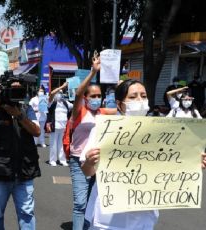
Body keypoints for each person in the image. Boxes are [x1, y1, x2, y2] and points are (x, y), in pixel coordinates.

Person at [81, 79, 206, 229]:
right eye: (133, 97)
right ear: (120, 104)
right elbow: (87, 171)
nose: (140, 100)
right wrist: (89, 161)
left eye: (143, 96)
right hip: (110, 216)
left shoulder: (161, 132)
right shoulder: (104, 130)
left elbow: (169, 165)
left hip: (143, 212)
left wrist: (191, 162)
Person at [0, 80, 41, 230]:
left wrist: (19, 115)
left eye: (19, 90)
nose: (15, 93)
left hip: (24, 172)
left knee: (27, 214)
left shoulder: (26, 107)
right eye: (12, 89)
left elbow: (37, 131)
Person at [68, 54, 116, 230]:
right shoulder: (79, 112)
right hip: (78, 160)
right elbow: (79, 92)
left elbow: (122, 108)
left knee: (93, 201)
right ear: (86, 98)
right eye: (93, 95)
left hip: (99, 161)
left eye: (99, 95)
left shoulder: (103, 112)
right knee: (80, 203)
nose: (97, 98)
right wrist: (93, 71)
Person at [46, 83, 72, 166]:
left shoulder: (65, 103)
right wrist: (61, 87)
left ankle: (62, 159)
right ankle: (52, 160)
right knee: (53, 144)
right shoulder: (51, 102)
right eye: (58, 93)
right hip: (54, 126)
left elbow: (75, 106)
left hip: (63, 126)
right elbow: (52, 93)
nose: (59, 94)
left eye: (61, 93)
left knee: (61, 144)